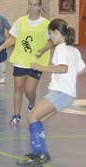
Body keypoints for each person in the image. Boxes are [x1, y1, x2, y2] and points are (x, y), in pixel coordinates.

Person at [16, 18, 86, 166]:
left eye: (50, 34)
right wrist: (69, 78)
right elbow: (81, 69)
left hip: (59, 92)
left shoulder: (60, 48)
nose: (50, 38)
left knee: (32, 116)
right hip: (68, 95)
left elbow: (63, 68)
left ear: (56, 32)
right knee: (37, 119)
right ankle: (37, 152)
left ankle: (41, 154)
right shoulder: (73, 50)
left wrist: (41, 67)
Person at [0, 0, 53, 125]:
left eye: (35, 5)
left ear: (39, 7)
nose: (32, 7)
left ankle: (32, 103)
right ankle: (16, 115)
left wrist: (42, 50)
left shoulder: (46, 24)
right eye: (30, 4)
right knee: (18, 88)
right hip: (20, 60)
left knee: (29, 90)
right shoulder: (20, 21)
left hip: (36, 63)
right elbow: (13, 38)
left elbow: (51, 41)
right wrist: (2, 47)